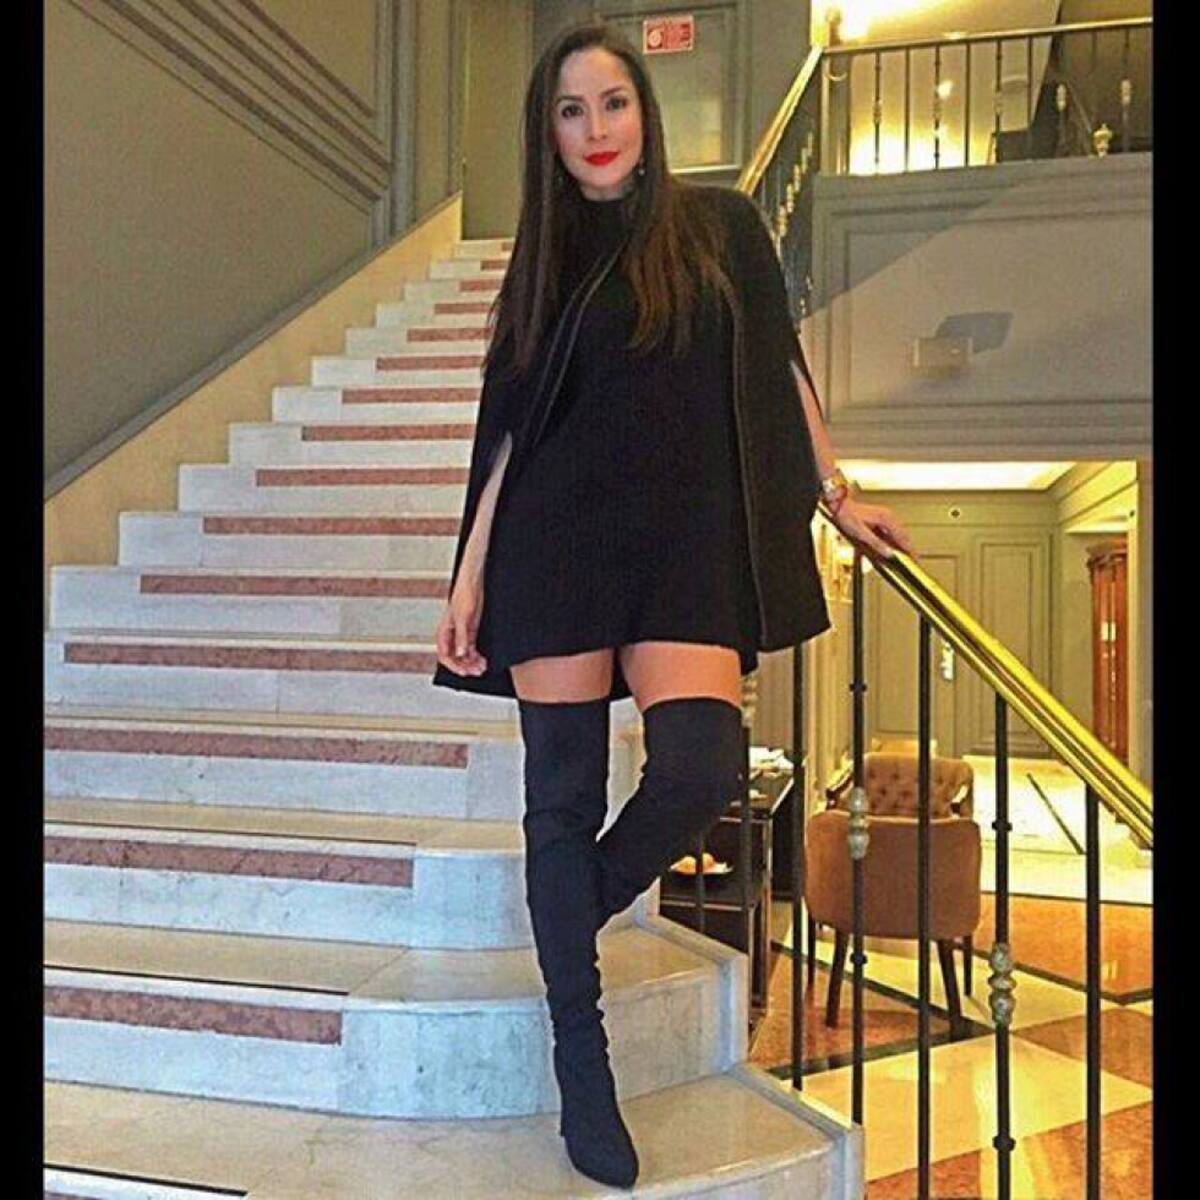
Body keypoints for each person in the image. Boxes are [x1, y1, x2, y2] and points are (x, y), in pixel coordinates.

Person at [431, 20, 915, 1189]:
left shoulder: (724, 226)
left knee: (701, 765)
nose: (595, 129)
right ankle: (581, 1060)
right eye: (570, 111)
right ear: (548, 135)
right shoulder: (544, 263)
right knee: (559, 803)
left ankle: (570, 917)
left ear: (645, 113)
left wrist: (838, 492)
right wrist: (469, 574)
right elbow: (507, 430)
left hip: (682, 545)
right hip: (556, 542)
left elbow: (782, 366)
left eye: (612, 103)